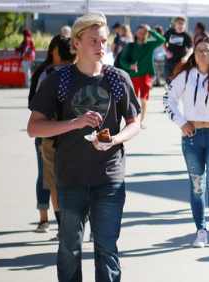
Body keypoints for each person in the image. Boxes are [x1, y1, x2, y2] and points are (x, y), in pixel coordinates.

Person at [27, 13, 142, 281]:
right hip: (69, 178)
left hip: (109, 177)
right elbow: (34, 127)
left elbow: (135, 123)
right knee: (69, 249)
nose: (100, 46)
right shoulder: (58, 79)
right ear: (76, 43)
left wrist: (116, 138)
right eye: (93, 40)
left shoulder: (118, 78)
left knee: (107, 249)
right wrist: (74, 123)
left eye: (103, 40)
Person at [163, 37, 209, 248]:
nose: (202, 54)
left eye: (207, 50)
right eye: (198, 51)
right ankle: (200, 230)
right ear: (193, 54)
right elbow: (167, 99)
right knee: (197, 185)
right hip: (192, 136)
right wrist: (181, 122)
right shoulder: (185, 76)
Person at [28, 34, 74, 237]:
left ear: (54, 51)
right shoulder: (78, 72)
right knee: (55, 181)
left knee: (51, 181)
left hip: (50, 133)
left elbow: (37, 109)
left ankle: (54, 221)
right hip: (62, 134)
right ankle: (53, 221)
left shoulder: (46, 74)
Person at [118, 24, 165, 130]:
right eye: (139, 33)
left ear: (147, 34)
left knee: (143, 99)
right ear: (136, 33)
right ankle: (134, 120)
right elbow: (122, 60)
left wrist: (151, 30)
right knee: (133, 100)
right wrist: (130, 66)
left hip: (146, 76)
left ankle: (142, 121)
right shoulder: (130, 46)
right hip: (133, 76)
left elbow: (162, 39)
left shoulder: (149, 44)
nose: (141, 35)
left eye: (144, 33)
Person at [164, 16, 193, 85]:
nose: (180, 25)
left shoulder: (186, 36)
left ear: (185, 25)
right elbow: (163, 42)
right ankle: (170, 93)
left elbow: (191, 48)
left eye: (182, 24)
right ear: (175, 23)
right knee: (168, 80)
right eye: (179, 23)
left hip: (179, 61)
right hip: (169, 60)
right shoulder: (170, 32)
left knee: (176, 80)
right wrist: (166, 51)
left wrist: (186, 57)